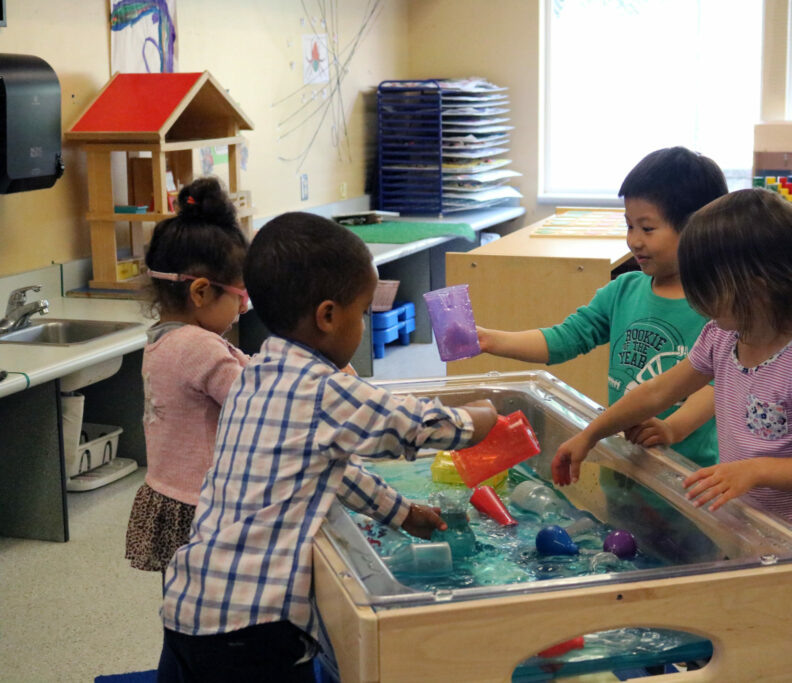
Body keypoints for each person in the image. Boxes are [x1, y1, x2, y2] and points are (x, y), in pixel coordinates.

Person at [157, 212, 498, 682]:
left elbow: (328, 469)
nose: (362, 325)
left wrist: (399, 511)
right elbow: (414, 427)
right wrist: (482, 416)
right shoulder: (324, 390)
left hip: (190, 606)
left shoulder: (256, 372)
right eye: (361, 314)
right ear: (328, 316)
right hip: (254, 629)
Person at [552, 188, 792, 560]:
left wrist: (754, 471)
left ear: (757, 283)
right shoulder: (721, 336)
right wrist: (592, 434)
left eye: (707, 289)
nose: (697, 302)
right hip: (746, 531)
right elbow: (657, 392)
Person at [476, 147, 728, 468]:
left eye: (647, 228)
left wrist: (671, 428)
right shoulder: (622, 292)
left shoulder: (720, 307)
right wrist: (490, 340)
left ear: (698, 228)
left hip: (688, 477)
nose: (634, 240)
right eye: (629, 226)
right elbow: (564, 339)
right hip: (624, 464)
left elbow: (714, 389)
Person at [125, 177, 250, 573]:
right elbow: (253, 402)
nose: (244, 309)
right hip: (204, 499)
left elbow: (234, 371)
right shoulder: (198, 347)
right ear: (200, 292)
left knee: (184, 594)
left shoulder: (165, 340)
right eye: (240, 296)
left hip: (172, 493)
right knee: (215, 599)